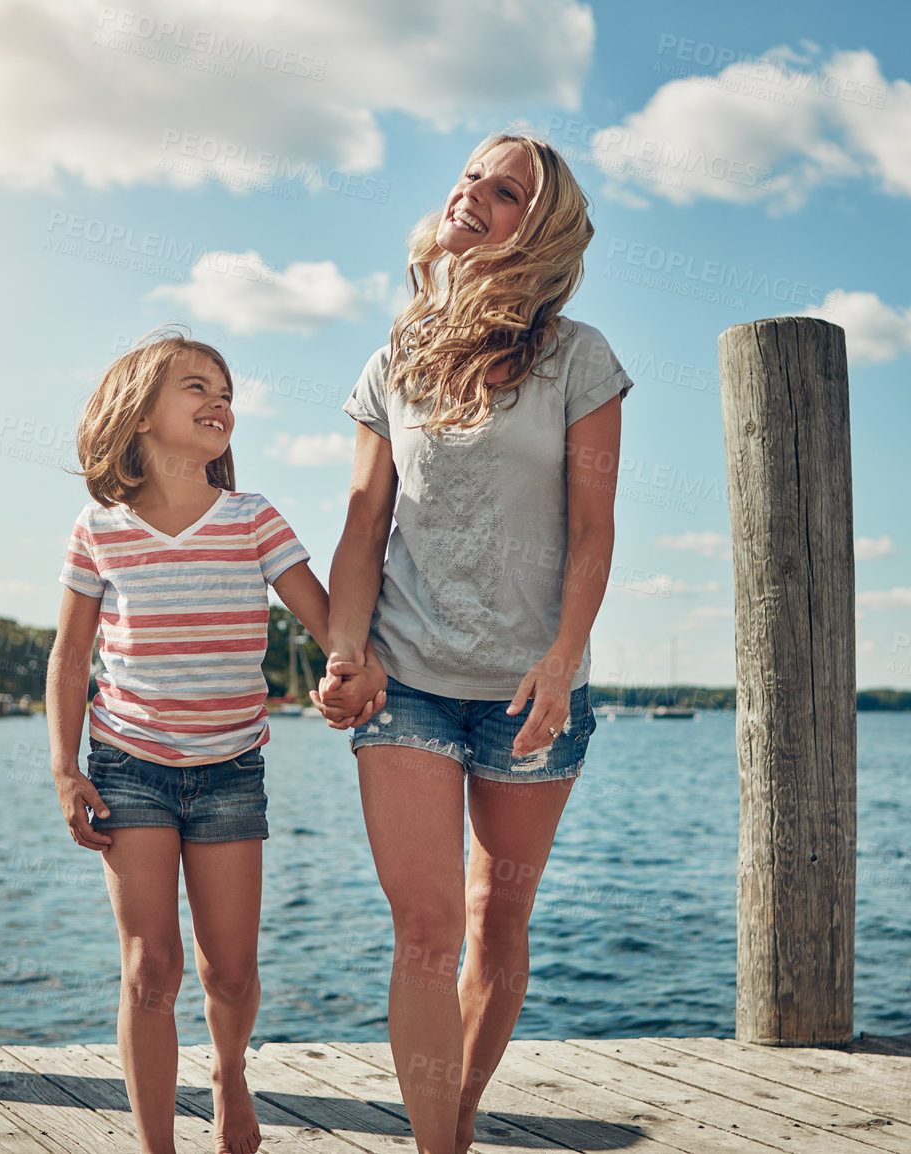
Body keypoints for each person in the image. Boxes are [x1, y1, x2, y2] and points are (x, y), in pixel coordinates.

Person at [318, 133, 632, 1154]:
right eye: (469, 178)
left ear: (536, 231)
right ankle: (436, 1145)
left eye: (505, 192)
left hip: (531, 689)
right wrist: (344, 650)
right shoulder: (391, 361)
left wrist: (560, 654)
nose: (473, 196)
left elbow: (594, 528)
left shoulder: (580, 357)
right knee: (426, 932)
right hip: (404, 675)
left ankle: (446, 1125)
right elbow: (364, 524)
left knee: (498, 921)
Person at [44, 328, 381, 1154]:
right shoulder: (99, 530)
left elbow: (327, 615)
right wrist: (64, 767)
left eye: (225, 390)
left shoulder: (253, 518)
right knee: (150, 966)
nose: (218, 401)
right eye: (194, 387)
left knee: (228, 972)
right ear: (139, 412)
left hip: (231, 771)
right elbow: (70, 654)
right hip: (127, 766)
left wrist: (348, 664)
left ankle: (230, 1074)